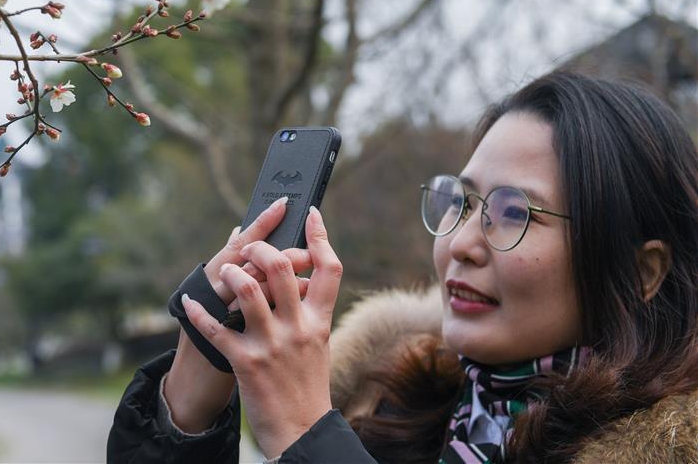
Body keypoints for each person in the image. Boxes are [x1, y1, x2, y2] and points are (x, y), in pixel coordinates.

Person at [107, 71, 698, 463]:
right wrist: (193, 388)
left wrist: (308, 437)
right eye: (462, 202)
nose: (461, 243)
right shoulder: (387, 408)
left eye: (513, 212)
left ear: (643, 272)